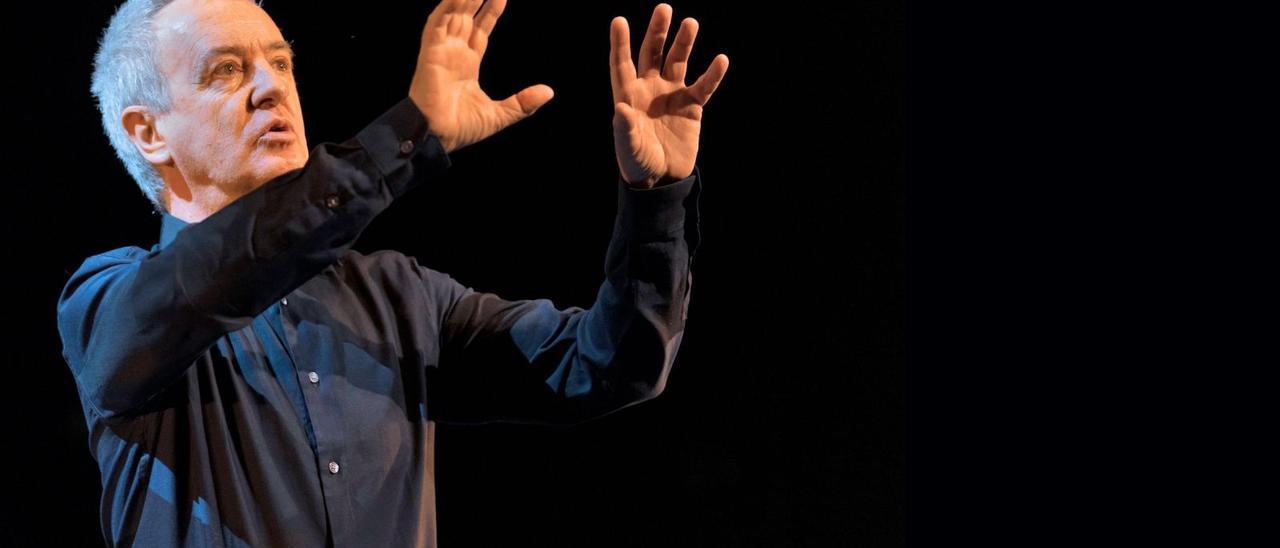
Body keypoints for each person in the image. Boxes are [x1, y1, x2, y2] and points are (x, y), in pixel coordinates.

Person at [56, 0, 728, 546]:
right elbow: (215, 276)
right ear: (149, 133)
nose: (271, 89)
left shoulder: (399, 295)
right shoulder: (107, 303)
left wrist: (655, 202)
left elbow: (609, 367)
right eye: (227, 72)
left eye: (281, 64)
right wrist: (407, 135)